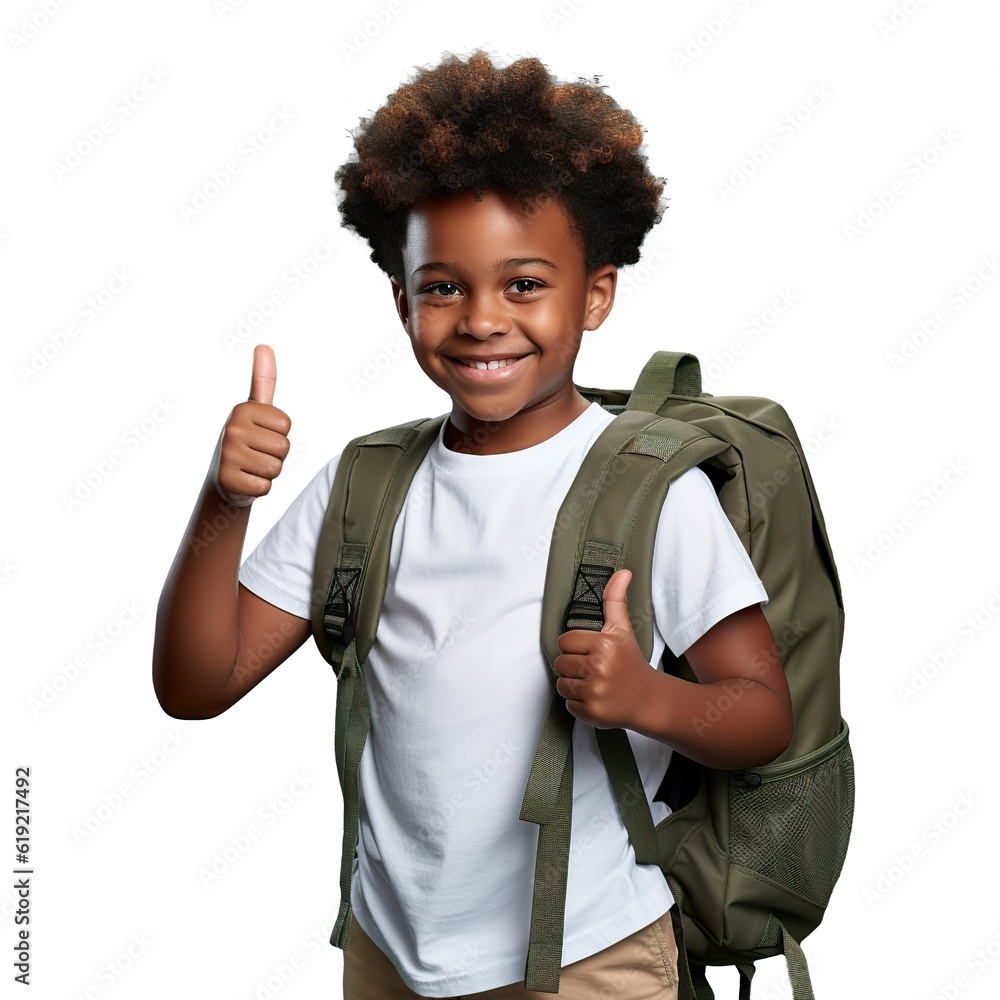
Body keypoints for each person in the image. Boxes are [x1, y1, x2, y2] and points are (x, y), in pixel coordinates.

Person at [153, 50, 793, 1000]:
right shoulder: (365, 484)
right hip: (388, 953)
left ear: (597, 294)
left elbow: (764, 715)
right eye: (444, 286)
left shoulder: (651, 490)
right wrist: (224, 503)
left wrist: (646, 699)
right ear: (401, 297)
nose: (482, 320)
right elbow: (197, 686)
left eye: (525, 284)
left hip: (592, 957)